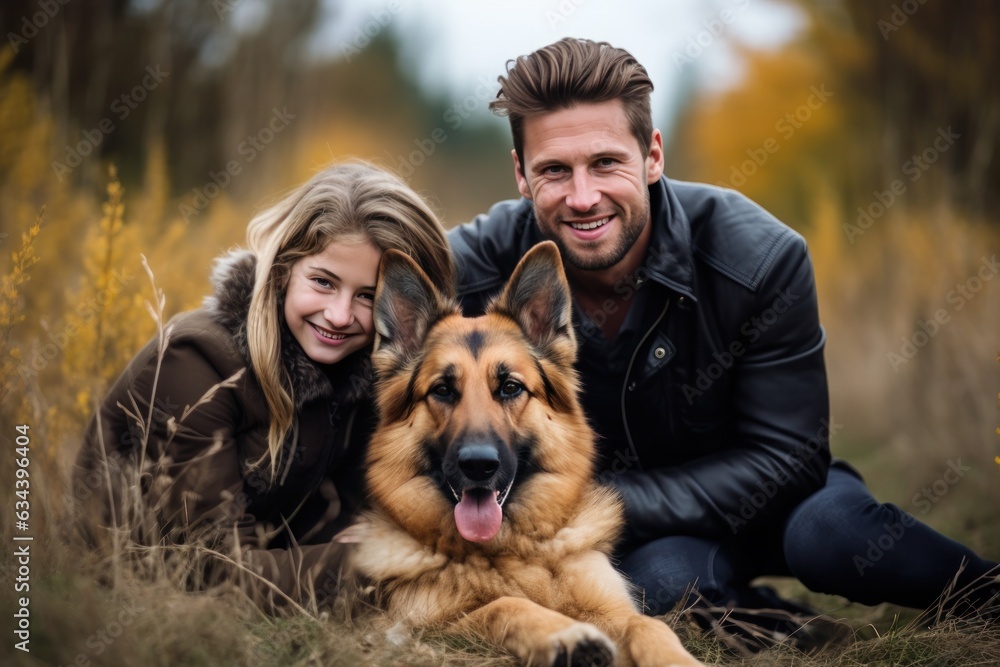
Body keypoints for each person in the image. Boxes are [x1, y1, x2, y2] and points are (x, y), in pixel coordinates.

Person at [448, 37, 998, 640]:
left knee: (837, 537)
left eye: (606, 163)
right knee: (661, 585)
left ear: (652, 156)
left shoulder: (761, 259)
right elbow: (376, 339)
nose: (583, 197)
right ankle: (778, 623)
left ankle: (987, 594)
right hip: (648, 538)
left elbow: (788, 460)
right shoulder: (474, 269)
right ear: (521, 174)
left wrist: (587, 493)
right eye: (555, 170)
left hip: (775, 504)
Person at [73, 161, 453, 609]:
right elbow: (212, 572)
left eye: (368, 296)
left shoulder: (362, 369)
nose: (339, 315)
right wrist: (377, 559)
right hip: (119, 593)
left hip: (270, 561)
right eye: (322, 282)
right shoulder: (196, 363)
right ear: (283, 270)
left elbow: (359, 509)